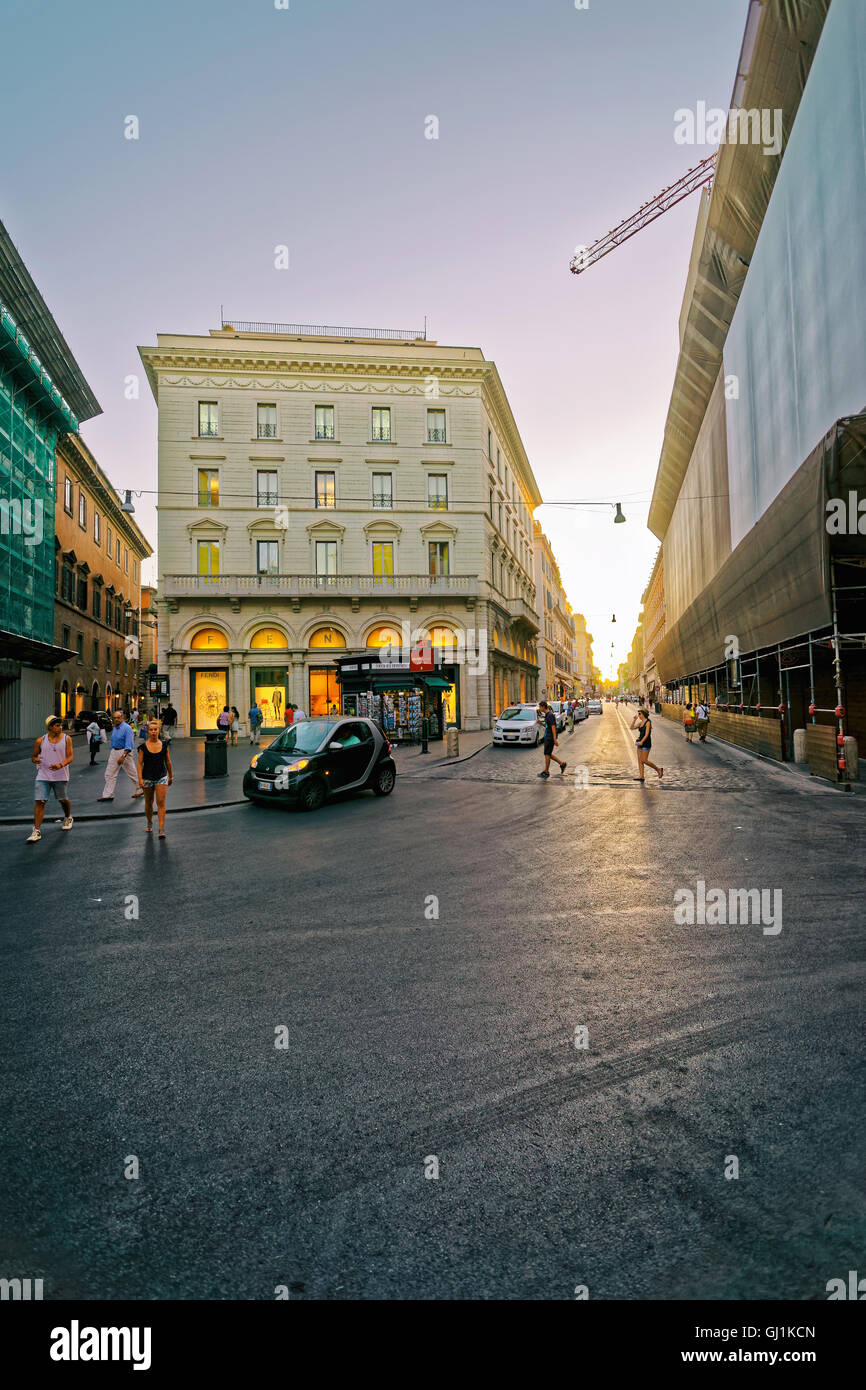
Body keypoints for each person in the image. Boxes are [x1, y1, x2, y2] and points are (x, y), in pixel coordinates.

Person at [27, 716, 74, 841]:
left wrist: (60, 765)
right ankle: (36, 831)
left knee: (63, 799)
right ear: (50, 727)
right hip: (43, 775)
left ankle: (68, 816)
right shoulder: (40, 741)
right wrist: (35, 759)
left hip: (60, 775)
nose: (60, 727)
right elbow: (33, 757)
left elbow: (70, 757)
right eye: (57, 725)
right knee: (40, 801)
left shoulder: (66, 739)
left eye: (60, 725)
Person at [138, 717, 173, 838]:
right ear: (148, 732)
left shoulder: (164, 745)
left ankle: (161, 828)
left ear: (159, 731)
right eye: (151, 730)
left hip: (161, 776)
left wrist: (171, 776)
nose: (153, 732)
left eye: (155, 730)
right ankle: (149, 822)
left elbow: (168, 762)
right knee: (149, 802)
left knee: (161, 802)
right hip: (147, 776)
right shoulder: (143, 747)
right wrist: (140, 779)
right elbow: (139, 763)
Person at [98, 710, 145, 801]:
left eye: (118, 718)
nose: (116, 719)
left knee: (132, 773)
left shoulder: (127, 728)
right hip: (114, 751)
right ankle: (108, 794)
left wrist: (123, 756)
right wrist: (113, 751)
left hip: (125, 752)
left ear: (122, 718)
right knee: (109, 774)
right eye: (114, 718)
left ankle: (140, 789)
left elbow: (129, 744)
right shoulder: (115, 727)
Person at [536, 699, 567, 778]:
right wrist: (541, 723)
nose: (539, 709)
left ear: (543, 707)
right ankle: (562, 764)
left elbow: (553, 727)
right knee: (548, 754)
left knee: (547, 754)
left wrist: (554, 739)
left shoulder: (550, 715)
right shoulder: (547, 715)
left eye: (540, 707)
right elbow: (547, 725)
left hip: (550, 738)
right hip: (548, 737)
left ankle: (546, 771)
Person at [634, 709, 663, 782]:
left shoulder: (648, 722)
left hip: (646, 743)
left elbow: (647, 734)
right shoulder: (640, 723)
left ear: (643, 714)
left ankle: (658, 769)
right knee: (640, 761)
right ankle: (641, 776)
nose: (638, 715)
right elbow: (631, 727)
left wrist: (642, 742)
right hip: (639, 742)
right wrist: (634, 720)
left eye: (639, 714)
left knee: (644, 760)